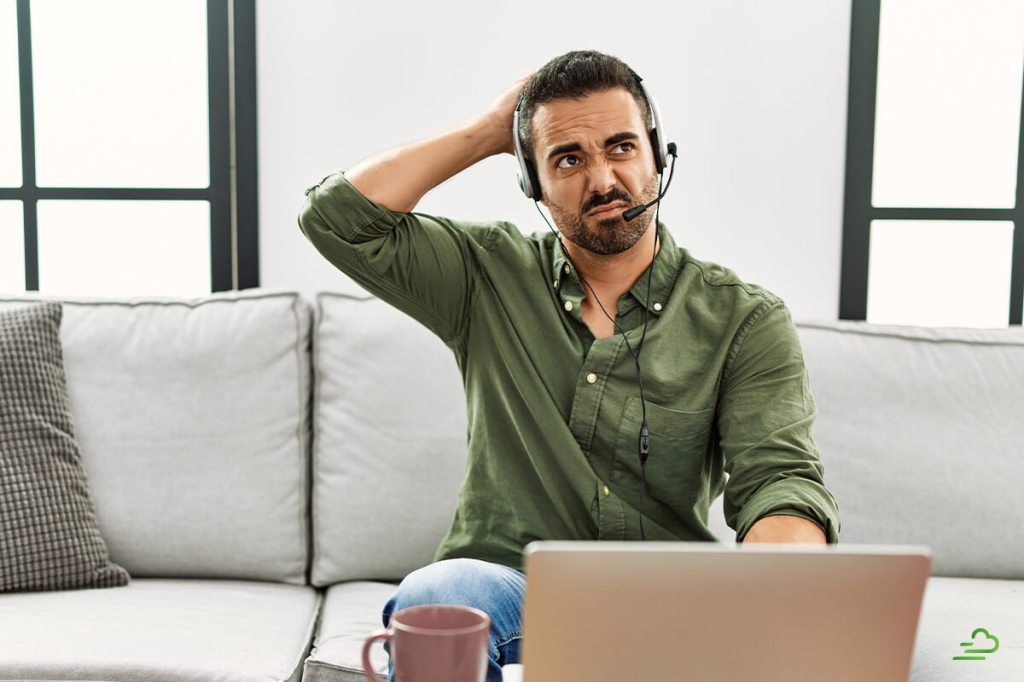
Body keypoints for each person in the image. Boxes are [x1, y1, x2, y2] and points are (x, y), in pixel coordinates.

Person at [299, 50, 840, 682]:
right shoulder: (484, 274)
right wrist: (486, 133)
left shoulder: (744, 320)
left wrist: (778, 584)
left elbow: (779, 480)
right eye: (568, 159)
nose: (604, 179)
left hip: (670, 600)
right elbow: (336, 218)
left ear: (656, 155)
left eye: (621, 147)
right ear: (532, 182)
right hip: (505, 589)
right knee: (440, 595)